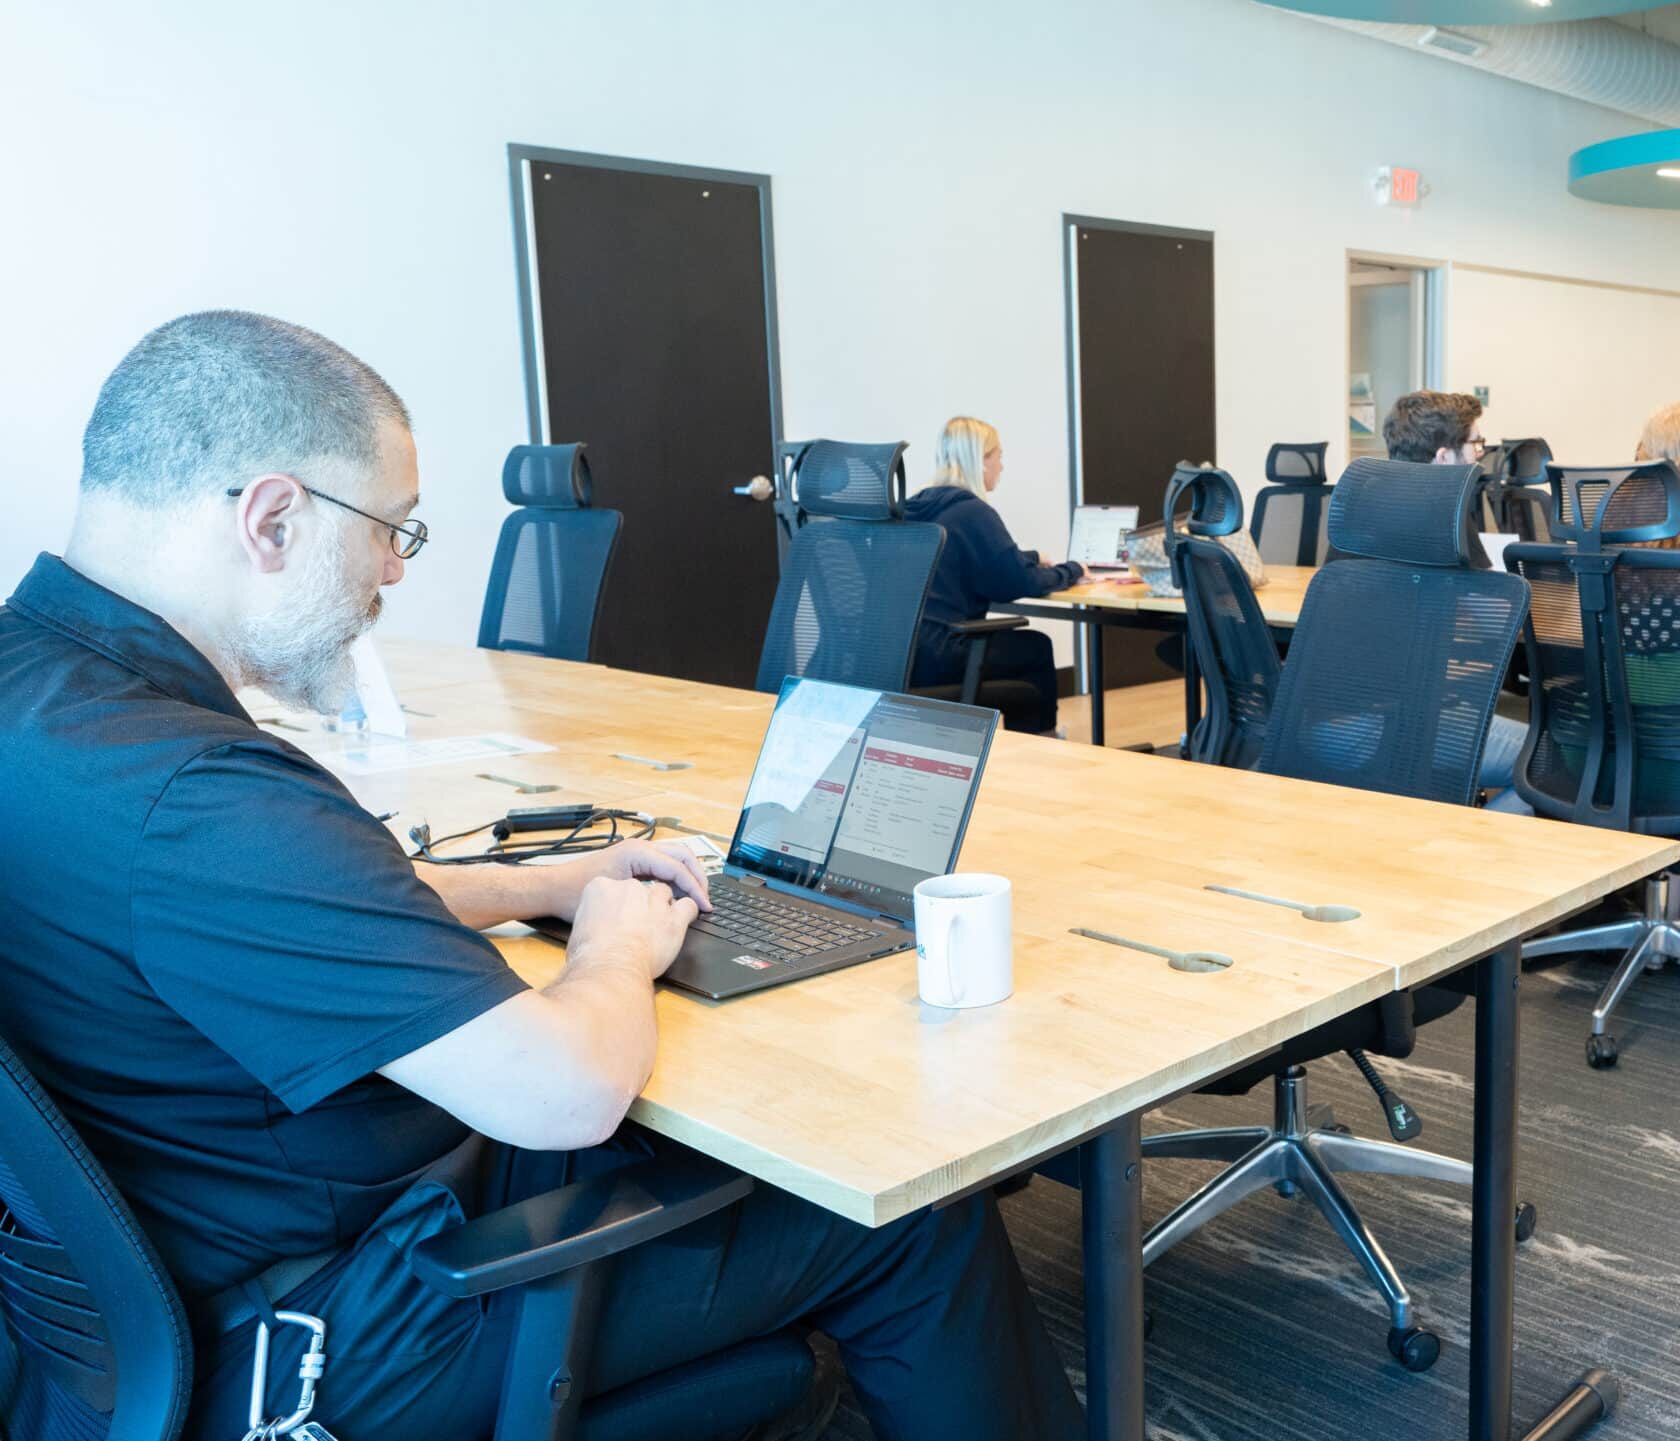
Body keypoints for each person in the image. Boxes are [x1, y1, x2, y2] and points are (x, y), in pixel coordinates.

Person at [0, 312, 1086, 1441]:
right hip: (332, 1330)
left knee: (706, 1150)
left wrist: (545, 885)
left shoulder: (48, 700)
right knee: (905, 1214)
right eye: (392, 530)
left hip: (158, 1305)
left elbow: (299, 908)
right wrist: (615, 944)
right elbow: (565, 1090)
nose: (392, 570)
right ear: (273, 518)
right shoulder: (206, 796)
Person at [1380, 389, 1529, 801]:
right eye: (1476, 444)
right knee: (1553, 763)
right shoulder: (1444, 513)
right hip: (1402, 724)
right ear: (1444, 457)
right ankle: (1475, 845)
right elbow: (1499, 621)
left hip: (1318, 718)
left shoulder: (1362, 503)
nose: (1480, 455)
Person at [905, 416, 1097, 736]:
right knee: (1035, 649)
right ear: (982, 461)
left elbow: (975, 561)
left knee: (1020, 653)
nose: (1002, 466)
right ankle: (1039, 744)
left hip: (907, 655)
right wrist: (1073, 570)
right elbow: (1019, 582)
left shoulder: (919, 508)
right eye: (999, 456)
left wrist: (1031, 557)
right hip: (944, 654)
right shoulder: (973, 512)